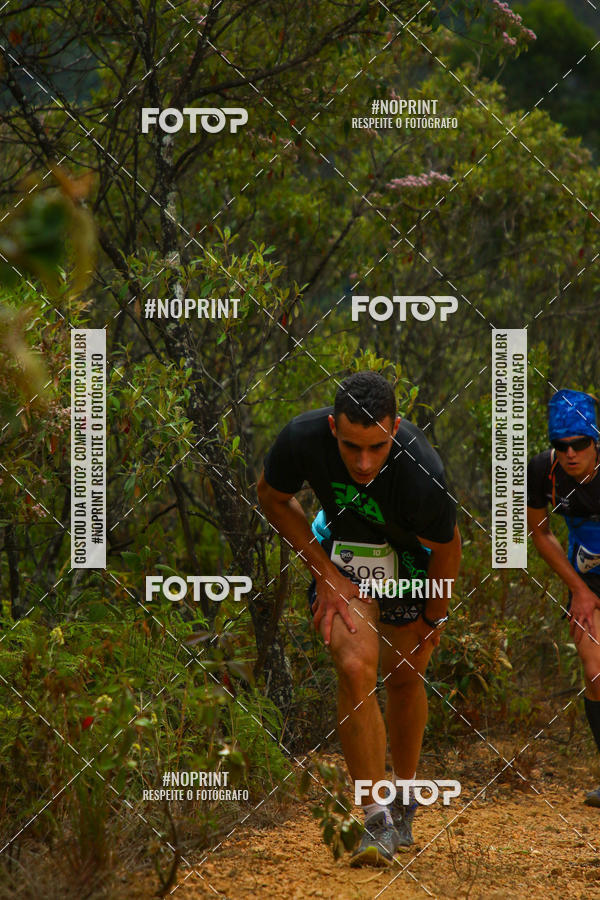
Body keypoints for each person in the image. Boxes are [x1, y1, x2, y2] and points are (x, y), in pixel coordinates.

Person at [257, 371, 461, 865]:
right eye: (351, 448)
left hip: (411, 566)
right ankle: (375, 818)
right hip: (342, 559)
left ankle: (405, 797)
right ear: (332, 428)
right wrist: (325, 574)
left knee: (407, 677)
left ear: (394, 427)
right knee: (353, 669)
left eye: (376, 447)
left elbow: (448, 547)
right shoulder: (301, 438)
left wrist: (432, 621)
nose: (364, 462)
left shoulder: (422, 471)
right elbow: (271, 496)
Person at [527, 388, 600, 807]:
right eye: (561, 445)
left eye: (580, 444)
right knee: (594, 673)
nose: (570, 454)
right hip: (586, 581)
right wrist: (579, 590)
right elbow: (540, 531)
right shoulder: (544, 471)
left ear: (596, 440)